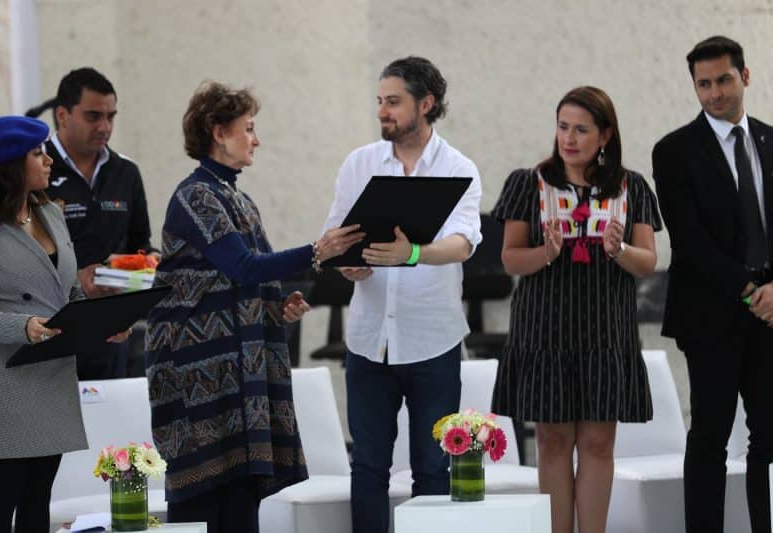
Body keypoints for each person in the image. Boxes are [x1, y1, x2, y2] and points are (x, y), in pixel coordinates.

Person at [145, 81, 363, 533]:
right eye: (248, 128)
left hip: (236, 374)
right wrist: (317, 252)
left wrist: (275, 307)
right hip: (198, 376)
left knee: (242, 495)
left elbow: (243, 278)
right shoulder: (196, 195)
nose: (256, 139)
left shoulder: (237, 198)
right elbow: (242, 266)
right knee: (205, 501)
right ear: (218, 132)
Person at [323, 56, 483, 533]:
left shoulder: (458, 168)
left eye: (393, 102)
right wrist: (345, 262)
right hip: (368, 341)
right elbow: (333, 238)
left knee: (433, 469)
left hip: (433, 341)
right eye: (380, 101)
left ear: (426, 103)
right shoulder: (359, 163)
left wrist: (411, 253)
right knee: (368, 466)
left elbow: (463, 244)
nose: (382, 111)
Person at [491, 86, 661, 533]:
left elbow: (647, 261)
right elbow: (510, 259)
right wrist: (545, 253)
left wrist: (619, 249)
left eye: (581, 129)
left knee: (599, 443)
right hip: (544, 330)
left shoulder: (632, 186)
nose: (568, 138)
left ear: (605, 135)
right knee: (552, 441)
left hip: (606, 331)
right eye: (563, 126)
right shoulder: (527, 183)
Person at [653, 36, 773, 533]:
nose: (714, 93)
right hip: (710, 315)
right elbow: (690, 240)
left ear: (745, 76)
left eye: (723, 80)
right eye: (703, 84)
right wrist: (753, 292)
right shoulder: (674, 151)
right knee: (709, 436)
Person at [0, 116, 129, 533]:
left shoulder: (51, 212)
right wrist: (25, 327)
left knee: (38, 503)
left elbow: (68, 294)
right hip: (4, 384)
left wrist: (103, 322)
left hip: (52, 377)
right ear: (11, 166)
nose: (49, 160)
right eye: (38, 154)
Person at [44, 67, 159, 379]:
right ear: (63, 115)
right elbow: (16, 259)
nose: (105, 127)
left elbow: (140, 244)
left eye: (111, 117)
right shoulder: (34, 169)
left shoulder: (126, 173)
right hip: (49, 329)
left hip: (111, 332)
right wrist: (75, 280)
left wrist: (145, 266)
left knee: (110, 410)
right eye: (93, 116)